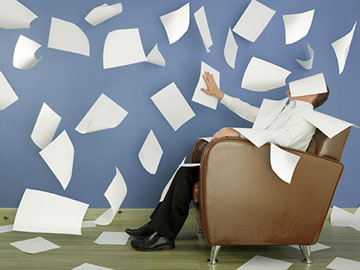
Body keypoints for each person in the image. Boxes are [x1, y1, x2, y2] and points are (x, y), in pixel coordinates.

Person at [126, 72, 330, 251]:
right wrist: (220, 95)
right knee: (185, 173)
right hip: (255, 165)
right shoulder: (288, 110)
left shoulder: (305, 115)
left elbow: (285, 139)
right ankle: (158, 229)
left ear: (313, 94)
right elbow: (251, 112)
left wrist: (238, 133)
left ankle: (162, 235)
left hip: (265, 174)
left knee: (187, 174)